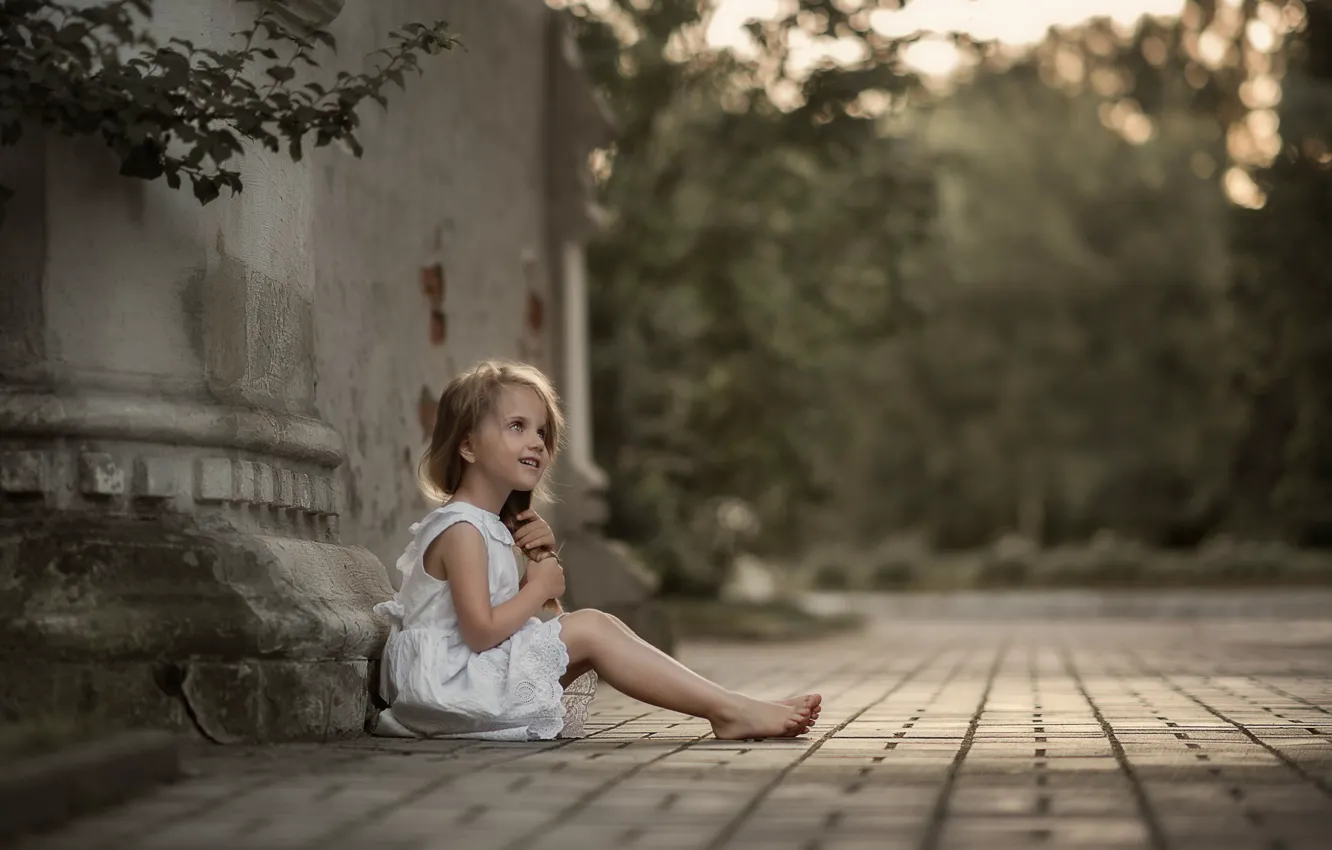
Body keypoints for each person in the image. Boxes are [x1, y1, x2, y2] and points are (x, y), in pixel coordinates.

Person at [369, 359, 822, 741]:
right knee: (591, 628)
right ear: (467, 445)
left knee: (595, 627)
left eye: (543, 433)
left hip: (466, 676)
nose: (536, 443)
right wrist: (539, 586)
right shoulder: (462, 529)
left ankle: (730, 705)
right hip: (447, 687)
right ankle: (729, 711)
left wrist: (538, 568)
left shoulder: (491, 527)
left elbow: (527, 628)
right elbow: (483, 634)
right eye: (517, 427)